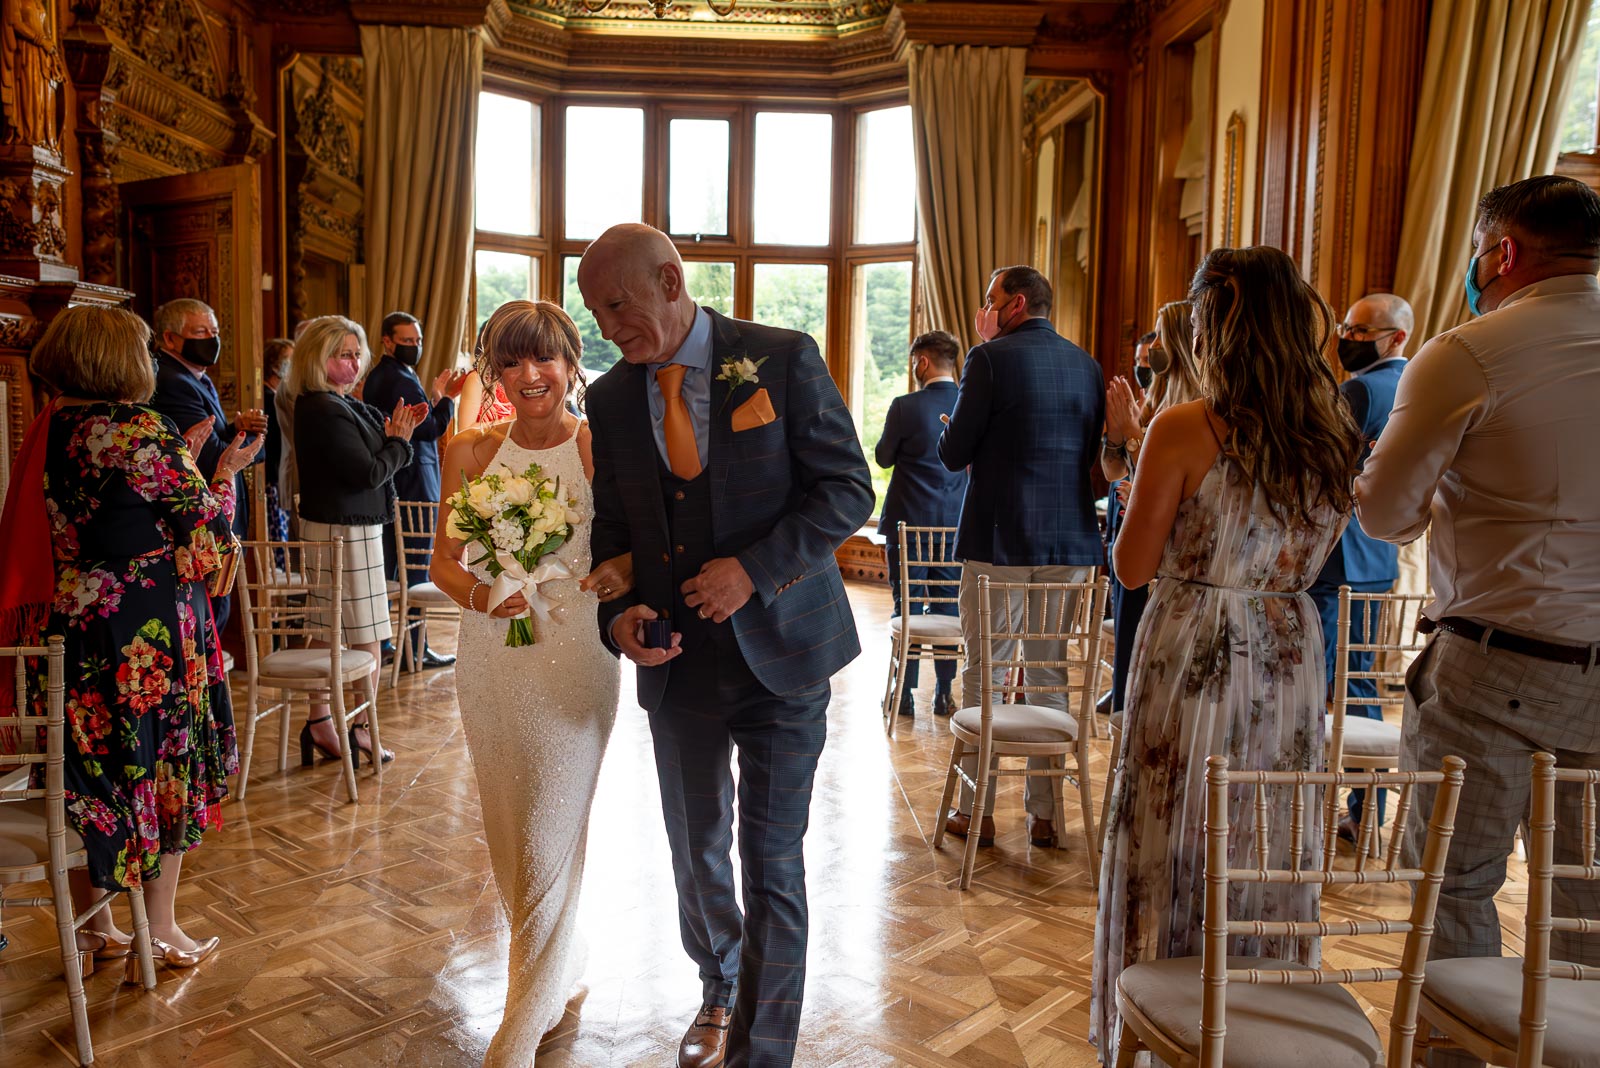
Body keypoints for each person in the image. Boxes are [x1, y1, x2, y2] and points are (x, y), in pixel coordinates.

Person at [579, 223, 872, 1068]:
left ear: (671, 282)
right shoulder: (608, 398)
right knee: (696, 846)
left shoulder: (779, 357)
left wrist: (754, 569)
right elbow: (612, 527)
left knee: (771, 858)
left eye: (617, 306)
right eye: (597, 314)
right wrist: (620, 613)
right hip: (677, 665)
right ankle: (719, 985)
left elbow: (848, 487)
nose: (607, 329)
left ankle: (762, 1054)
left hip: (782, 654)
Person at [1091, 246, 1360, 1065]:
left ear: (1216, 322)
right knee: (1265, 830)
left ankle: (1164, 1020)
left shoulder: (1183, 426)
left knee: (1178, 828)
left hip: (1194, 641)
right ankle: (1261, 1021)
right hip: (1287, 652)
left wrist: (1127, 460)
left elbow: (1132, 568)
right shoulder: (1334, 431)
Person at [1355, 176, 1600, 1068]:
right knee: (1589, 900)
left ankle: (1452, 1059)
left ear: (1501, 254)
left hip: (1495, 668)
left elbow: (1384, 515)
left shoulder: (1470, 352)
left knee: (1453, 883)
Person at [0, 305, 261, 977]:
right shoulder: (139, 429)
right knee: (162, 766)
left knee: (88, 771)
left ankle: (97, 930)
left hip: (72, 623)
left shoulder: (52, 428)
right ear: (125, 361)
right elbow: (208, 540)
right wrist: (223, 470)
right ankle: (163, 928)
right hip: (146, 631)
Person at [429, 300, 633, 1066]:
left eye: (542, 359)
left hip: (575, 650)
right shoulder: (470, 451)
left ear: (571, 361)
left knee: (551, 820)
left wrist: (618, 572)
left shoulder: (595, 444)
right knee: (508, 822)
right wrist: (489, 595)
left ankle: (526, 1011)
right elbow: (443, 562)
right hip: (491, 652)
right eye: (510, 363)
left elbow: (639, 543)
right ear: (495, 373)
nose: (528, 376)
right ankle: (561, 962)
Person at [936, 265, 1104, 850]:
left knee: (986, 669)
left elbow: (954, 454)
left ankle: (975, 812)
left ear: (1017, 304)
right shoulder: (1087, 364)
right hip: (1070, 542)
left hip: (1001, 540)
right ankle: (1046, 817)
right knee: (1049, 673)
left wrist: (957, 414)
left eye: (991, 299)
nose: (985, 310)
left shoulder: (989, 360)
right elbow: (1092, 466)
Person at [288, 316, 426, 765]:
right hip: (344, 530)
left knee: (326, 630)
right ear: (317, 359)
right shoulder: (323, 407)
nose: (353, 361)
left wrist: (395, 433)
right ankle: (360, 729)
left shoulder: (335, 402)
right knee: (367, 635)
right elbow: (367, 471)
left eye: (355, 353)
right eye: (342, 354)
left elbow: (370, 452)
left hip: (343, 526)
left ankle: (320, 722)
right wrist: (401, 443)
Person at [1311, 292, 1413, 844]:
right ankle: (1365, 809)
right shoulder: (1415, 385)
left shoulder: (1359, 389)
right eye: (1345, 327)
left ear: (1396, 336)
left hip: (1336, 556)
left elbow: (1321, 465)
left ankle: (1350, 804)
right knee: (1361, 676)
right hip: (1379, 555)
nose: (1347, 338)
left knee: (1331, 680)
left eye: (1358, 330)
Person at [1099, 304, 1202, 719]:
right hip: (1127, 528)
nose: (1153, 346)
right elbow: (1112, 469)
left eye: (1160, 337)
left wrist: (1135, 434)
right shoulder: (1152, 397)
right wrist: (1116, 432)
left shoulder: (1196, 404)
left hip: (1166, 548)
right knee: (1128, 642)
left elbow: (1163, 477)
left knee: (1149, 654)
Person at [148, 298, 266, 633]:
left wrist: (234, 430)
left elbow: (210, 438)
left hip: (216, 510)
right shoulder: (173, 380)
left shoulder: (195, 376)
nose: (211, 339)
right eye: (200, 332)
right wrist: (250, 445)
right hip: (201, 517)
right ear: (170, 339)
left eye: (214, 331)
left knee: (217, 614)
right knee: (210, 620)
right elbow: (207, 456)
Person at [362, 311, 468, 669]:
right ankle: (415, 650)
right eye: (406, 341)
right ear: (387, 342)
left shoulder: (386, 375)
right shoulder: (396, 379)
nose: (414, 347)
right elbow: (430, 429)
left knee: (394, 568)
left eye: (417, 341)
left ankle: (394, 645)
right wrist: (447, 399)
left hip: (400, 482)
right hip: (412, 484)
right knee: (416, 568)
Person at [874, 328, 966, 719]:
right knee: (947, 608)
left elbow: (882, 457)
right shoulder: (969, 405)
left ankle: (904, 695)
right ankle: (944, 693)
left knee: (906, 604)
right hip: (954, 525)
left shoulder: (904, 406)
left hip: (908, 523)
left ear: (922, 362)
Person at [262, 338, 292, 543]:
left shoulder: (278, 396)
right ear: (275, 365)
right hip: (271, 477)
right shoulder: (266, 398)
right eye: (289, 360)